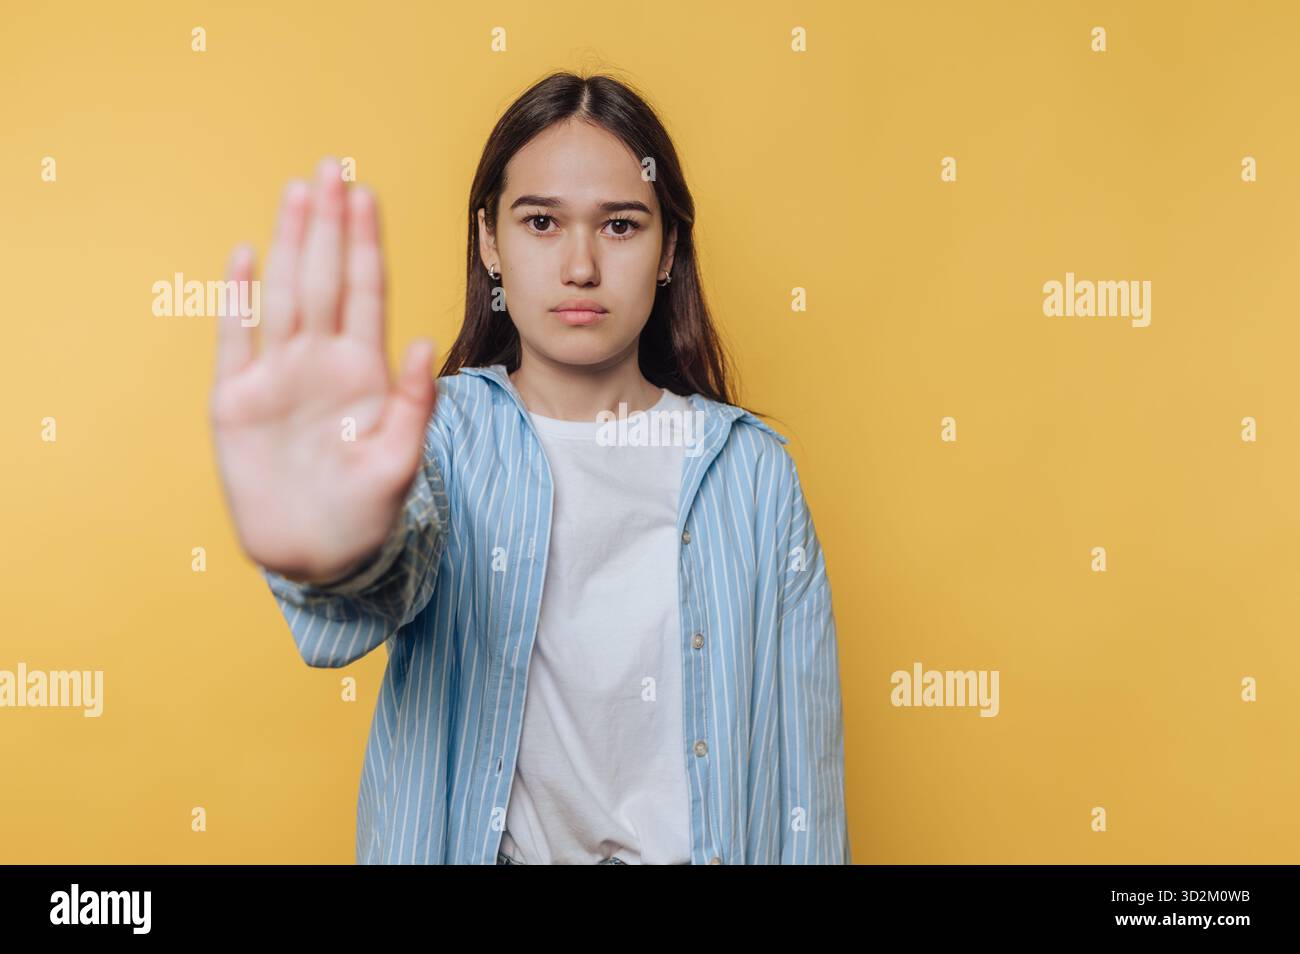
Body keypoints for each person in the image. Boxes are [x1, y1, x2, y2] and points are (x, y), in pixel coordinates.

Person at [209, 70, 850, 864]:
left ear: (668, 250)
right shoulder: (435, 436)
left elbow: (805, 782)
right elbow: (371, 589)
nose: (581, 266)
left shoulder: (753, 473)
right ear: (491, 243)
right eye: (541, 222)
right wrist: (335, 550)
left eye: (620, 226)